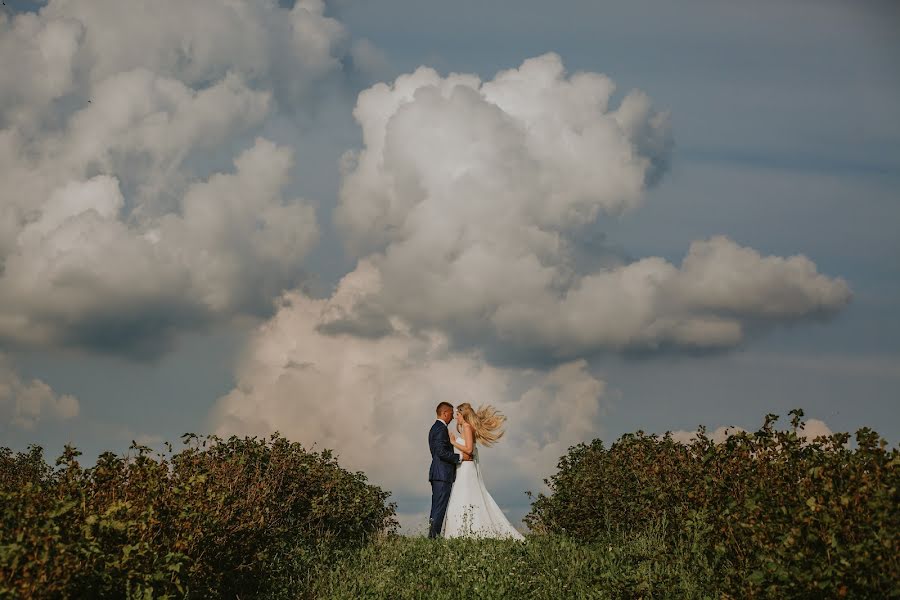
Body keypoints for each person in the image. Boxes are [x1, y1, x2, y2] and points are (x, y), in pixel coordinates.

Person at [441, 402, 525, 540]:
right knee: (462, 499)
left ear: (463, 414)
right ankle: (461, 533)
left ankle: (468, 533)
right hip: (462, 469)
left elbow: (469, 450)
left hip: (467, 470)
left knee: (466, 498)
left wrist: (453, 442)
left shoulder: (467, 427)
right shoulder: (465, 428)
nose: (456, 417)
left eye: (457, 414)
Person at [428, 401, 472, 539]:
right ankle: (433, 538)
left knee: (437, 507)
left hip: (438, 474)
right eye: (452, 414)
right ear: (445, 413)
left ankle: (432, 537)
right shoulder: (440, 429)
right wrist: (460, 457)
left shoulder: (434, 428)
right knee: (439, 508)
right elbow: (441, 452)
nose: (453, 417)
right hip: (442, 474)